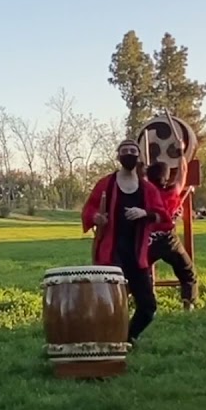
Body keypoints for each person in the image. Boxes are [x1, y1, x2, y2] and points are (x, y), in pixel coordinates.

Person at [81, 140, 169, 344]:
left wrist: (145, 213)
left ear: (138, 157)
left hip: (137, 255)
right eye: (125, 151)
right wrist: (96, 218)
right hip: (111, 253)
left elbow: (163, 217)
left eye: (133, 151)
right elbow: (89, 209)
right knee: (110, 302)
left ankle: (127, 338)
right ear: (118, 156)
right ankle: (105, 339)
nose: (129, 154)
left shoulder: (147, 189)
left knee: (148, 307)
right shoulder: (106, 184)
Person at [144, 161, 198, 310]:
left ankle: (144, 300)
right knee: (188, 271)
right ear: (166, 177)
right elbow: (183, 172)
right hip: (169, 240)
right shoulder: (173, 192)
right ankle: (189, 301)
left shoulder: (145, 194)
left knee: (141, 272)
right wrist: (181, 153)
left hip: (149, 241)